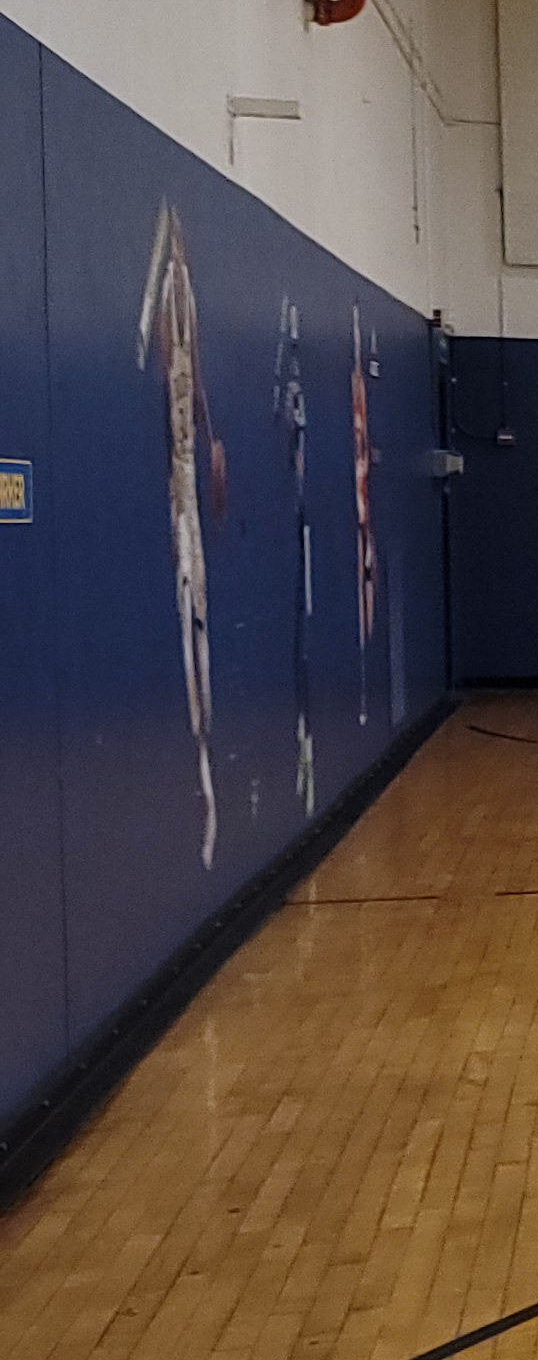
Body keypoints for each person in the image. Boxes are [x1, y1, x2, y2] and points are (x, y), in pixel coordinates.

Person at [135, 203, 224, 864]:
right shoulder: (168, 317)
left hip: (191, 496)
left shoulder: (185, 315)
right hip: (179, 504)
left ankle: (208, 786)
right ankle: (203, 788)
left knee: (200, 623)